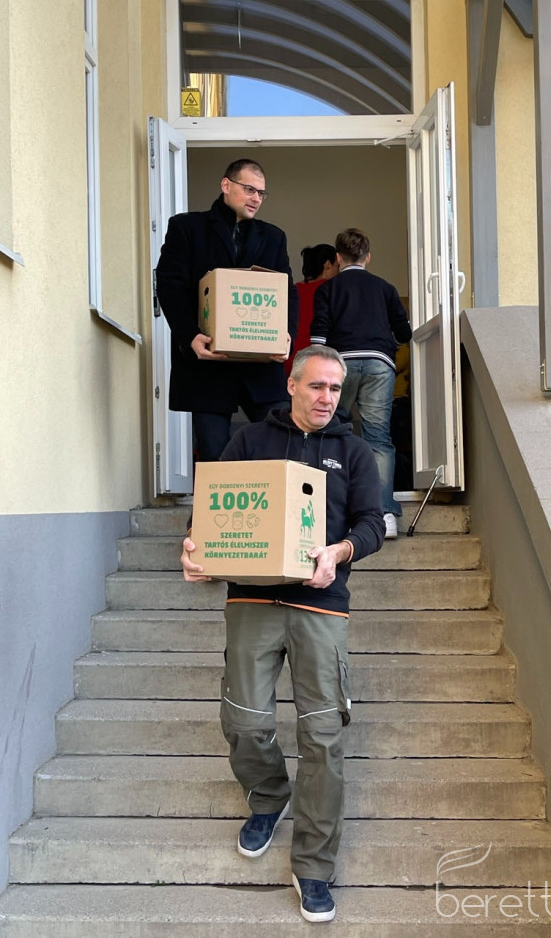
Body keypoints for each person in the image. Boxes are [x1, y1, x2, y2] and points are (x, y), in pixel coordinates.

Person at [181, 345, 385, 924]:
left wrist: (339, 552)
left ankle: (314, 865)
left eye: (335, 389)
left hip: (321, 606)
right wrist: (194, 547)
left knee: (322, 736)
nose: (327, 398)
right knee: (245, 721)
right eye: (317, 386)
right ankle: (269, 797)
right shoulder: (249, 441)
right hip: (251, 599)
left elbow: (373, 523)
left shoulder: (353, 451)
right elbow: (211, 513)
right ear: (291, 385)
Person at [156, 158, 299, 461]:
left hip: (261, 364)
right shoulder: (187, 228)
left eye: (261, 193)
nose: (256, 198)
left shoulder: (273, 237)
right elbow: (169, 285)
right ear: (226, 185)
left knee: (280, 444)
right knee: (214, 455)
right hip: (208, 363)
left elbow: (287, 291)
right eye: (249, 189)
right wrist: (189, 336)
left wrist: (287, 335)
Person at [310, 228, 412, 539]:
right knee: (378, 438)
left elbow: (319, 335)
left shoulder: (328, 289)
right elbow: (404, 333)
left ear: (338, 258)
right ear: (368, 257)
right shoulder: (385, 288)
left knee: (331, 432)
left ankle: (330, 511)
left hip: (340, 364)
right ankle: (383, 515)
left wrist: (316, 374)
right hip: (379, 364)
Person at [283, 244, 339, 377]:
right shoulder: (331, 291)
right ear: (327, 265)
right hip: (316, 363)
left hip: (289, 361)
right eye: (337, 266)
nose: (339, 272)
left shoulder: (293, 291)